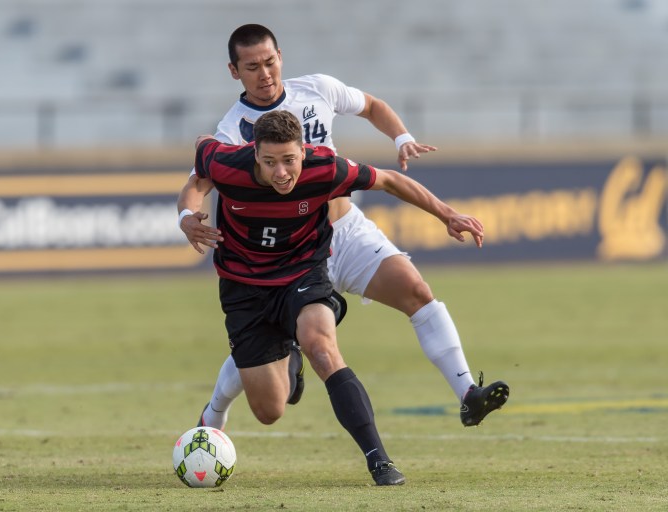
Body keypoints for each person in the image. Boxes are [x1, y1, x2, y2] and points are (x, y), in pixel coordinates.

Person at [178, 24, 509, 432]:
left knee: (417, 292)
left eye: (269, 62)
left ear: (280, 56)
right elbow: (199, 181)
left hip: (345, 232)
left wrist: (402, 137)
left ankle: (467, 394)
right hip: (287, 254)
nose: (264, 74)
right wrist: (188, 218)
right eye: (252, 67)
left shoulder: (317, 89)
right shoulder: (234, 129)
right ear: (235, 71)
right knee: (260, 351)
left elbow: (371, 106)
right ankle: (216, 411)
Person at [187, 110, 485, 485]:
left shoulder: (326, 169)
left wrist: (447, 214)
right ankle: (287, 359)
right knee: (269, 410)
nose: (281, 173)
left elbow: (390, 181)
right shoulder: (226, 162)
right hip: (245, 290)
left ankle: (378, 459)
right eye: (270, 162)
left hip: (302, 273)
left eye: (289, 161)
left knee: (322, 347)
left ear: (304, 153)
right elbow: (200, 156)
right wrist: (186, 214)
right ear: (254, 154)